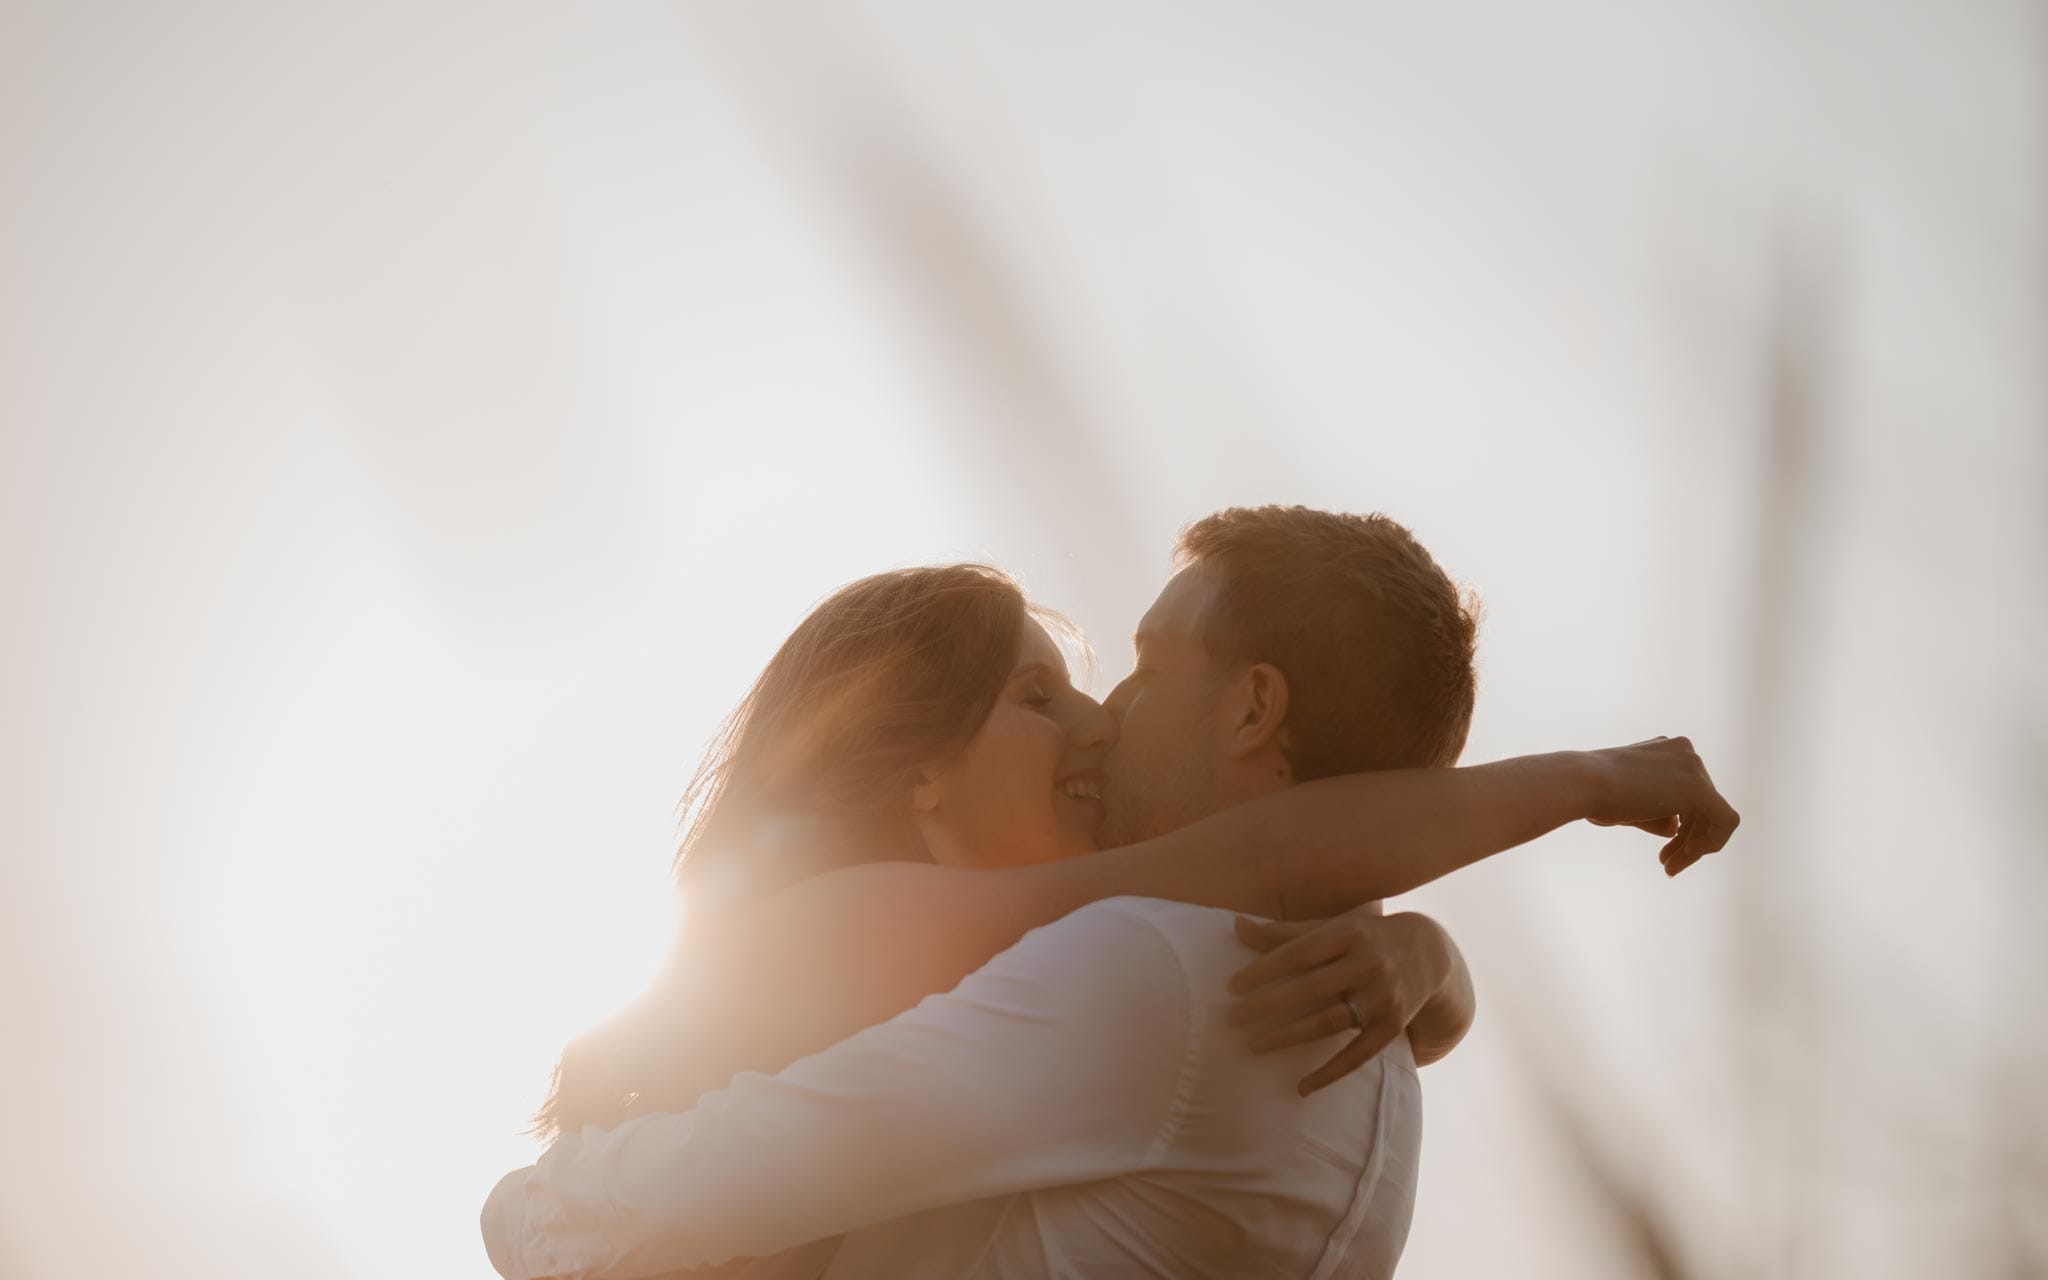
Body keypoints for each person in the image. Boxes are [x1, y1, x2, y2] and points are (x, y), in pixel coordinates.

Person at [483, 507, 1738, 1278]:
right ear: (919, 779)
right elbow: (1266, 860)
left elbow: (1266, 865)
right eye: (1041, 697)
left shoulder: (1159, 969)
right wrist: (1550, 809)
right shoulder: (898, 931)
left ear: (1251, 705)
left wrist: (1431, 947)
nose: (1100, 718)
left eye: (1136, 665)